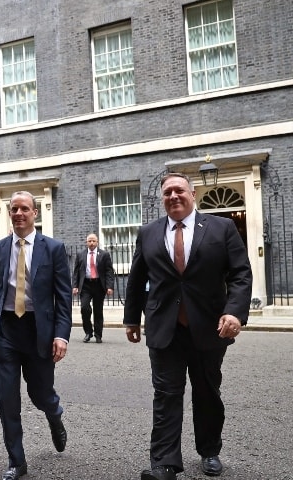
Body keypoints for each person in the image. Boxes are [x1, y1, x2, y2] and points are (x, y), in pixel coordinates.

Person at [123, 172, 252, 480]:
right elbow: (137, 277)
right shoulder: (148, 232)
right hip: (164, 326)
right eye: (167, 192)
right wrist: (131, 318)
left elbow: (240, 273)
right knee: (166, 393)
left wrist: (234, 312)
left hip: (209, 327)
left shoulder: (222, 228)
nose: (173, 196)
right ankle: (165, 464)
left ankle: (209, 450)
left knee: (207, 391)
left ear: (192, 194)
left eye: (179, 190)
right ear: (162, 199)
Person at [0, 191, 72, 480]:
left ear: (35, 213)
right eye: (13, 209)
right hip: (5, 330)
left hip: (38, 331)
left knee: (40, 393)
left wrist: (61, 335)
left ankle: (54, 414)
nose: (18, 213)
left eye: (24, 209)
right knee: (7, 399)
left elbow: (63, 297)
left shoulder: (53, 248)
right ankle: (16, 461)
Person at [72, 233, 114, 343]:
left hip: (99, 285)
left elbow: (109, 271)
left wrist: (109, 286)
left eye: (93, 241)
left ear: (97, 242)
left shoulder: (104, 254)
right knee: (84, 308)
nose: (91, 243)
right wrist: (75, 286)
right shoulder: (80, 254)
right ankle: (88, 332)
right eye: (89, 241)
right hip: (85, 285)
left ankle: (98, 334)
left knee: (98, 311)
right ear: (86, 242)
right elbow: (76, 271)